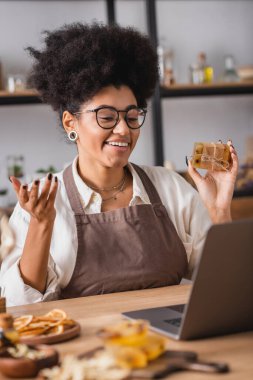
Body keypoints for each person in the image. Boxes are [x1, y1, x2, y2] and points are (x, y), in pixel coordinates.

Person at [0, 23, 238, 306]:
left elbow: (223, 289)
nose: (124, 130)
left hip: (167, 343)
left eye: (132, 116)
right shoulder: (44, 202)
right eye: (107, 116)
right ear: (70, 123)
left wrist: (219, 210)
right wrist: (41, 225)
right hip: (86, 349)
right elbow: (18, 308)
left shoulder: (171, 189)